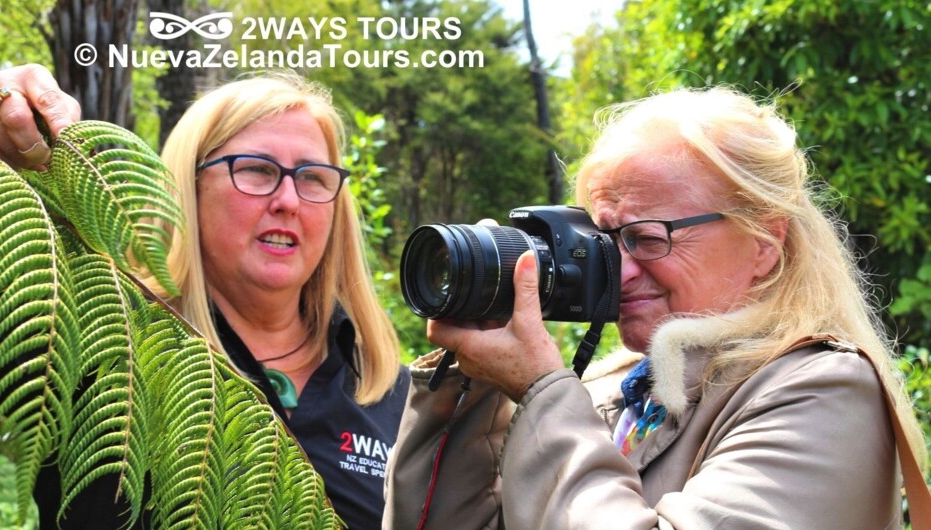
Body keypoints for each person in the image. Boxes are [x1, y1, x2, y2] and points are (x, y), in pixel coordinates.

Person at [383, 86, 928, 529]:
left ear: (764, 243)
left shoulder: (823, 390)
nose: (616, 271)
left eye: (647, 238)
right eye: (600, 241)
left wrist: (541, 393)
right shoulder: (610, 392)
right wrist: (468, 384)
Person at [0, 64, 409, 529]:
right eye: (256, 169)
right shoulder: (95, 341)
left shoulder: (401, 397)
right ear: (189, 186)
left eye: (312, 177)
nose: (288, 200)